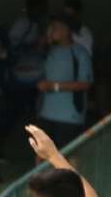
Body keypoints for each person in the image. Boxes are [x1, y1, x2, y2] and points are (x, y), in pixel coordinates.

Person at [35, 15, 93, 147]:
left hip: (69, 115)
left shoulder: (80, 53)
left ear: (66, 31)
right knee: (41, 150)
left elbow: (85, 83)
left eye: (54, 28)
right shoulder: (50, 52)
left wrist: (54, 86)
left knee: (68, 154)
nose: (51, 31)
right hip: (46, 112)